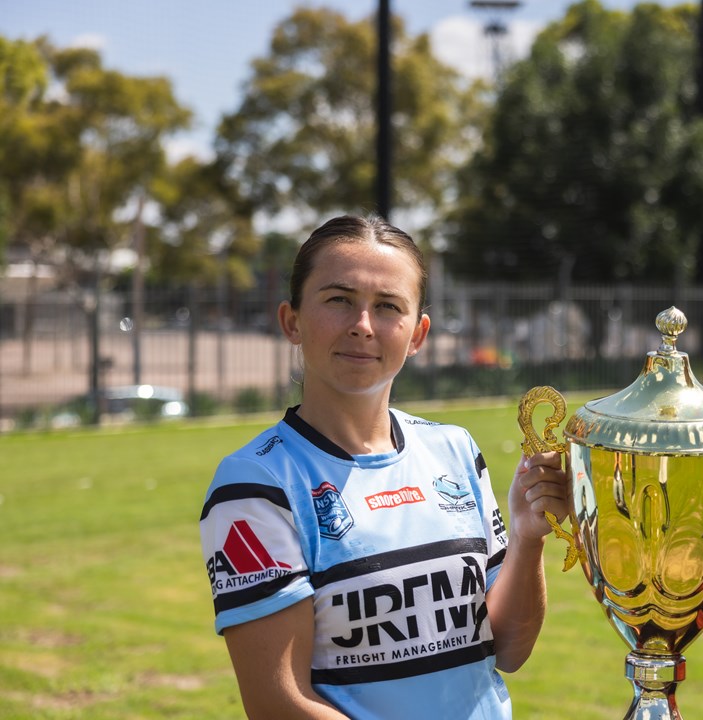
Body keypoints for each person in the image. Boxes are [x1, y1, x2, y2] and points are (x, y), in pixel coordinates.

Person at [199, 215, 568, 719]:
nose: (362, 325)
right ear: (292, 321)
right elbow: (277, 702)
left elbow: (509, 650)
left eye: (387, 306)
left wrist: (529, 540)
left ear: (417, 334)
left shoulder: (454, 450)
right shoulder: (256, 485)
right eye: (339, 300)